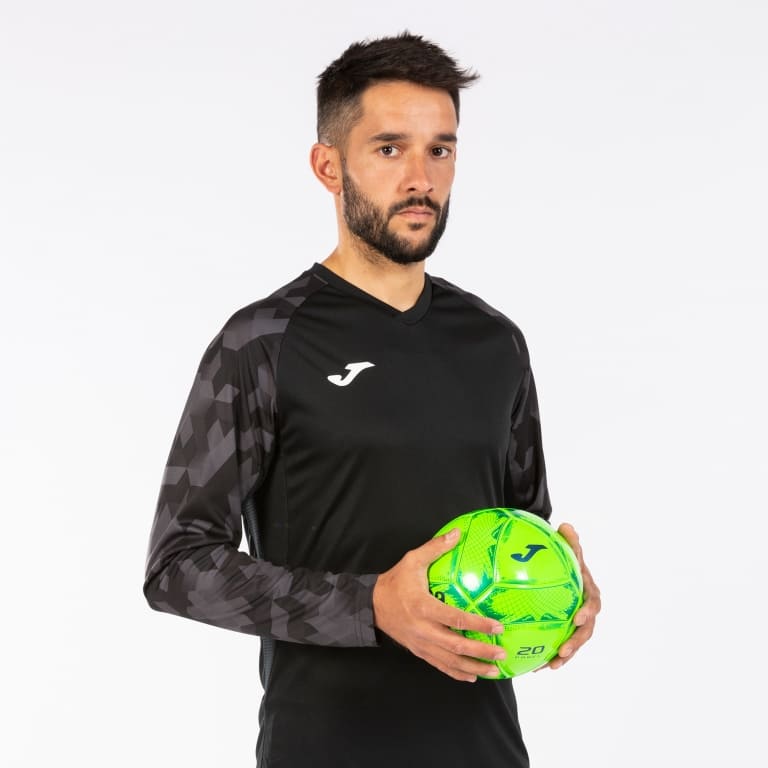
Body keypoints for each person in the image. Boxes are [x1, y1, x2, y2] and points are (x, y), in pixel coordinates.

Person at [144, 31, 601, 768]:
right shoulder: (261, 343)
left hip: (486, 750)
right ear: (329, 166)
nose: (421, 178)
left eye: (440, 149)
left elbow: (523, 527)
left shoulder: (496, 343)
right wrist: (370, 605)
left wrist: (564, 591)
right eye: (390, 148)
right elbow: (177, 566)